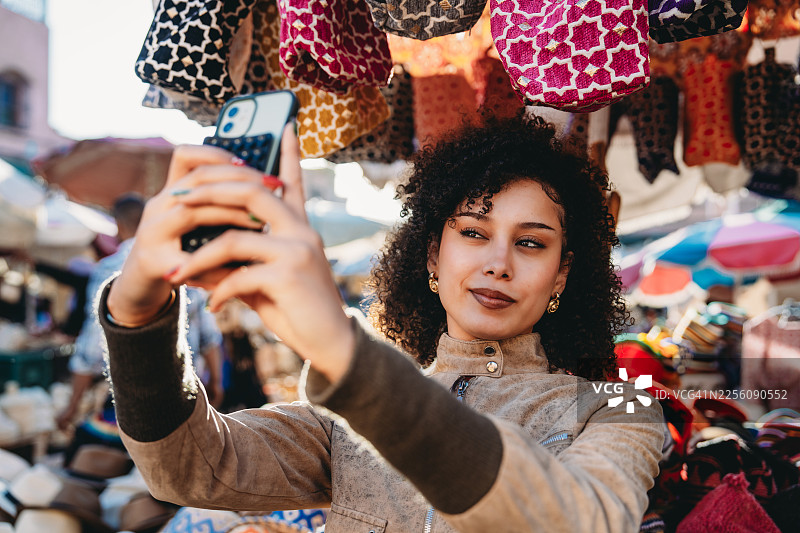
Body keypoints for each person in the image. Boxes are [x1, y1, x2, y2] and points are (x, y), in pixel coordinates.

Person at [98, 115, 663, 532]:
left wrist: (349, 357)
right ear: (431, 257)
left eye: (531, 243)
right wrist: (139, 313)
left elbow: (584, 519)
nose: (499, 262)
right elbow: (190, 470)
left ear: (562, 275)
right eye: (472, 232)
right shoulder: (341, 420)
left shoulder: (618, 410)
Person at [56, 194, 224, 458]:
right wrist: (216, 382)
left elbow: (91, 346)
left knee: (115, 474)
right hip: (187, 394)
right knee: (177, 476)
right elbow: (209, 334)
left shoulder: (109, 268)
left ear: (118, 226)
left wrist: (72, 406)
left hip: (132, 405)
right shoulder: (184, 263)